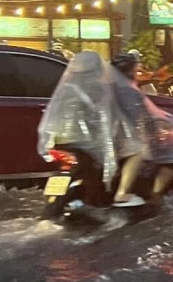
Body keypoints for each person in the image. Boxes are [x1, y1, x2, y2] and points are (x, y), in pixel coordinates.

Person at [37, 51, 120, 206]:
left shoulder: (66, 87)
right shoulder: (97, 88)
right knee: (97, 176)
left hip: (58, 142)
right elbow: (104, 117)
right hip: (82, 145)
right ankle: (94, 204)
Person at [111, 52, 173, 207]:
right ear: (130, 70)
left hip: (111, 136)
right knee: (169, 153)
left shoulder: (109, 87)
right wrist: (164, 129)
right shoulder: (128, 91)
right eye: (136, 69)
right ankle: (150, 194)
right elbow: (146, 115)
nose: (138, 72)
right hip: (123, 139)